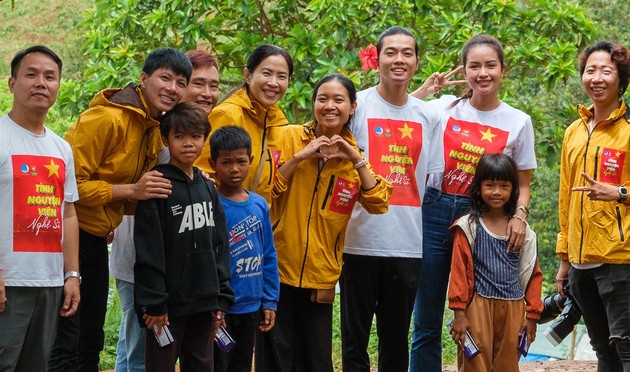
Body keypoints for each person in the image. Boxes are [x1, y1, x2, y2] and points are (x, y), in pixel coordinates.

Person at [49, 47, 192, 371]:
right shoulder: (107, 118)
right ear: (144, 79)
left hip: (97, 237)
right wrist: (131, 191)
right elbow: (66, 185)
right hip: (67, 238)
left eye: (180, 82)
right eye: (165, 78)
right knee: (67, 340)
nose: (172, 88)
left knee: (90, 339)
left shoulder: (153, 128)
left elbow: (124, 187)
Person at [409, 35, 537, 371]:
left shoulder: (517, 121)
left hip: (483, 221)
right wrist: (426, 91)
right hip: (435, 210)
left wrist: (519, 217)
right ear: (464, 70)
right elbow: (399, 114)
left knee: (478, 311)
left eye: (490, 65)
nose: (483, 73)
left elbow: (523, 183)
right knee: (427, 315)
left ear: (502, 70)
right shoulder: (444, 107)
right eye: (474, 66)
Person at [256, 73, 391, 372]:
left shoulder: (354, 159)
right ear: (313, 103)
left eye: (339, 100)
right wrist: (300, 157)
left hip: (321, 275)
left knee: (315, 361)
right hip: (276, 269)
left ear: (352, 107)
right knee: (275, 358)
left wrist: (355, 157)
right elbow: (264, 192)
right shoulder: (286, 137)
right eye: (322, 99)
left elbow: (379, 203)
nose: (330, 106)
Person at [108, 49, 219, 372]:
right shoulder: (151, 126)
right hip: (142, 263)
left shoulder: (189, 144)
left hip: (183, 278)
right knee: (140, 350)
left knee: (139, 348)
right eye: (197, 83)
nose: (206, 93)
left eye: (214, 85)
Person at [340, 26, 443, 372]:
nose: (399, 59)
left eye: (407, 53)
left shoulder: (429, 116)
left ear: (416, 62)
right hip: (357, 242)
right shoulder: (357, 107)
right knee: (354, 343)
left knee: (396, 344)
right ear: (378, 59)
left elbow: (431, 178)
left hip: (406, 244)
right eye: (391, 52)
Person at [134, 102, 234, 371]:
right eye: (179, 136)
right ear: (166, 139)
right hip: (167, 306)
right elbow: (149, 250)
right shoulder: (157, 186)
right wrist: (154, 301)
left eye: (196, 136)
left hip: (204, 300)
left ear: (204, 139)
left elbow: (220, 244)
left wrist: (220, 297)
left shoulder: (208, 187)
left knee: (202, 365)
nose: (188, 143)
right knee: (161, 365)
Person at [0, 45, 80, 372]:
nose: (41, 83)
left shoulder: (61, 147)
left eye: (50, 77)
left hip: (49, 283)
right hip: (9, 280)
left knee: (36, 366)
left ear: (59, 85)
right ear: (12, 83)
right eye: (31, 74)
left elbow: (68, 213)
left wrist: (72, 274)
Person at [555, 41, 630, 372]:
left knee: (627, 350)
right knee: (603, 351)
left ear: (621, 79)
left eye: (606, 70)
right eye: (590, 70)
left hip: (620, 258)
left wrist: (621, 193)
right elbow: (564, 197)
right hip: (581, 265)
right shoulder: (573, 132)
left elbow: (621, 192)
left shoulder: (628, 129)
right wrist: (563, 260)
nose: (596, 77)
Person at [448, 153, 542, 372]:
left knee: (507, 365)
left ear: (513, 190)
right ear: (479, 187)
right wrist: (459, 314)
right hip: (478, 307)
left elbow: (533, 273)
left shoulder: (523, 233)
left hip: (514, 308)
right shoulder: (468, 227)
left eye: (504, 186)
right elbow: (459, 273)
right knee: (474, 365)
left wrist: (533, 316)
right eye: (490, 185)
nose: (497, 192)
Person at [208, 126, 279, 372]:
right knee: (219, 365)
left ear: (250, 160)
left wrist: (270, 301)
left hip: (252, 306)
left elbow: (268, 255)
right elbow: (208, 259)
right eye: (226, 162)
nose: (234, 169)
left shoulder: (259, 204)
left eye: (240, 161)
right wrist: (215, 305)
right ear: (213, 163)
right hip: (222, 309)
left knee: (241, 364)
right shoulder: (212, 205)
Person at [195, 44, 293, 204]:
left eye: (282, 76)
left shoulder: (275, 123)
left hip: (256, 220)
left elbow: (267, 186)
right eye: (267, 73)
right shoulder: (228, 114)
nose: (273, 83)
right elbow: (203, 175)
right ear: (248, 75)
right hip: (226, 219)